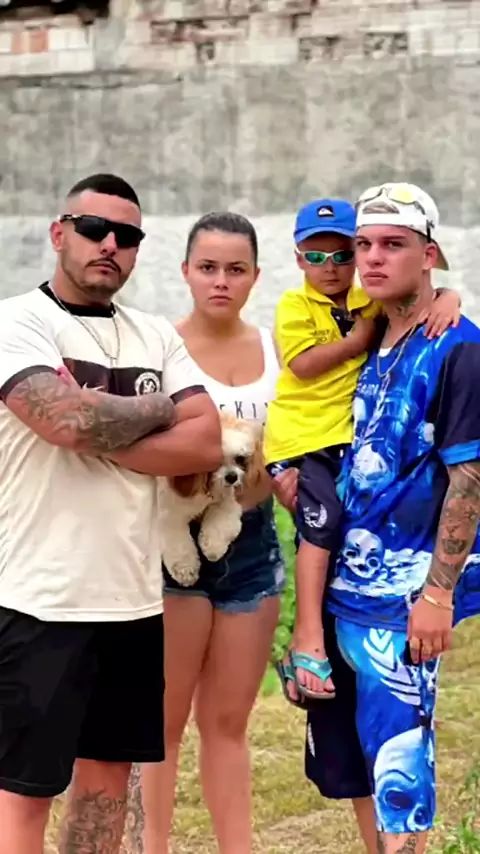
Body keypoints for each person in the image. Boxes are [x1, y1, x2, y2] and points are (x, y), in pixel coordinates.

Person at [0, 173, 222, 854]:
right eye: (94, 229)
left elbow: (206, 442)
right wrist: (158, 409)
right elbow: (64, 421)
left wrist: (99, 423)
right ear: (59, 233)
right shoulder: (18, 321)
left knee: (106, 789)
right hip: (39, 600)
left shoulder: (153, 333)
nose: (109, 245)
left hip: (131, 603)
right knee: (23, 795)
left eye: (127, 236)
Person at [277, 182, 480, 854]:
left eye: (393, 244)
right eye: (363, 244)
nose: (370, 257)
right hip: (345, 592)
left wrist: (439, 595)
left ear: (430, 254)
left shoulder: (458, 348)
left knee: (400, 777)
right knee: (361, 770)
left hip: (404, 604)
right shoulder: (369, 336)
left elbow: (470, 477)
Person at [122, 212, 284, 854]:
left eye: (235, 269)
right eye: (208, 267)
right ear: (186, 271)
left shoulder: (278, 349)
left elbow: (289, 448)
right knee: (161, 724)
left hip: (253, 544)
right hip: (173, 544)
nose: (221, 281)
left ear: (255, 277)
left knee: (228, 723)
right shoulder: (159, 348)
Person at [264, 197, 461, 704]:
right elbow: (301, 365)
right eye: (316, 256)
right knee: (321, 524)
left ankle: (313, 640)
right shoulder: (299, 307)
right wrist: (359, 340)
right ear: (298, 259)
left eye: (343, 255)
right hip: (303, 442)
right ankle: (305, 636)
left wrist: (449, 296)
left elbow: (414, 297)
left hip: (341, 452)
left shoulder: (373, 304)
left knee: (332, 522)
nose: (331, 267)